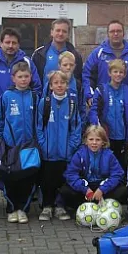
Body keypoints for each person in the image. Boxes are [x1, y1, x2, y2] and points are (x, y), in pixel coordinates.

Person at [0, 61, 39, 224]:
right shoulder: (6, 96)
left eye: (26, 76)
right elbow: (0, 118)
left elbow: (38, 120)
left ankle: (23, 209)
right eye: (20, 77)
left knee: (27, 179)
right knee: (11, 178)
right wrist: (2, 137)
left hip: (29, 145)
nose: (23, 80)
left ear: (30, 77)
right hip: (10, 145)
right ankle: (12, 208)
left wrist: (36, 141)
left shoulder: (34, 96)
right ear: (13, 78)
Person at [36, 70, 82, 221]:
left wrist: (71, 147)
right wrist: (43, 145)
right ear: (50, 86)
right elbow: (39, 127)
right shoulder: (45, 103)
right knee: (47, 180)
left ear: (67, 85)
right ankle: (47, 206)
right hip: (48, 152)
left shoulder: (71, 104)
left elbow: (76, 127)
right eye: (56, 83)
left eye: (62, 82)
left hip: (65, 152)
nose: (59, 85)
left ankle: (60, 206)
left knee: (62, 180)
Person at [89, 59, 128, 175]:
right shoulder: (101, 90)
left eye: (121, 72)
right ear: (109, 73)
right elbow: (94, 111)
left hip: (123, 137)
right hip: (107, 137)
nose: (118, 74)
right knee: (106, 168)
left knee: (122, 168)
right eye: (115, 71)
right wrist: (98, 129)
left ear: (125, 74)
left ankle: (121, 190)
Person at [61, 125, 128, 210]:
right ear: (86, 141)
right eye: (91, 139)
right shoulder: (79, 154)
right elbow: (71, 174)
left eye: (98, 140)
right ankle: (83, 206)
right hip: (86, 185)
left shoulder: (109, 155)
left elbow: (118, 174)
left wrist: (102, 189)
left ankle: (101, 204)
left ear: (103, 141)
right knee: (65, 190)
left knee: (123, 191)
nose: (94, 143)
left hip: (102, 185)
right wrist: (85, 190)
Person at [82, 20, 128, 105]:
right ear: (107, 34)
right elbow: (87, 75)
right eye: (112, 31)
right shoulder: (98, 53)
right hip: (104, 102)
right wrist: (90, 95)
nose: (115, 34)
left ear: (123, 34)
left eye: (119, 31)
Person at [0, 27, 42, 102]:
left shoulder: (27, 62)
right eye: (7, 42)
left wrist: (28, 105)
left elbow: (36, 87)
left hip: (19, 111)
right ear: (0, 43)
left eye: (14, 43)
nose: (10, 46)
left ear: (18, 44)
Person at [32, 18, 83, 88]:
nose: (60, 34)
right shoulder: (39, 54)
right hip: (46, 97)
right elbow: (33, 80)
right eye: (58, 30)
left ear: (68, 34)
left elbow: (79, 79)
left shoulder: (75, 55)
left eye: (64, 31)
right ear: (51, 32)